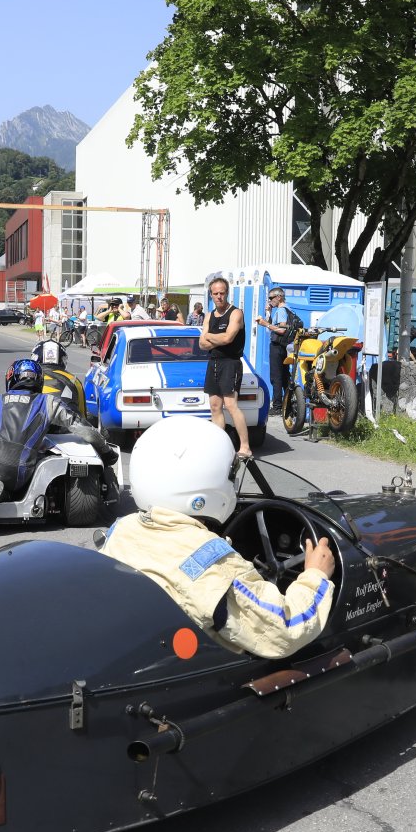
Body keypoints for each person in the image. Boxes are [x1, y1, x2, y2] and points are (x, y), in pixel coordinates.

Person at [99, 418, 334, 658]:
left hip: (134, 650)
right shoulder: (215, 569)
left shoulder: (121, 530)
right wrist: (316, 576)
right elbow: (284, 630)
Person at [0, 358, 117, 523]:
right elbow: (84, 429)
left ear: (11, 378)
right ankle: (3, 494)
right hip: (19, 470)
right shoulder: (49, 402)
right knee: (17, 482)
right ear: (39, 380)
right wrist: (106, 451)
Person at [200, 277, 252, 458]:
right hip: (213, 362)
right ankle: (219, 447)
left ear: (227, 293)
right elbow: (201, 344)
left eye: (222, 293)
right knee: (215, 407)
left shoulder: (236, 313)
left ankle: (245, 447)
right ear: (211, 295)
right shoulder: (209, 316)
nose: (219, 296)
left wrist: (210, 336)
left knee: (231, 405)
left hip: (231, 362)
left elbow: (228, 338)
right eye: (215, 293)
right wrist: (217, 338)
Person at [257, 288, 299, 415]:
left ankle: (277, 406)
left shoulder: (281, 311)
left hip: (277, 346)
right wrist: (268, 313)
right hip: (285, 346)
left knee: (276, 377)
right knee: (285, 376)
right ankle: (288, 405)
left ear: (279, 297)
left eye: (271, 298)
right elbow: (276, 327)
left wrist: (265, 323)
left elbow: (281, 329)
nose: (269, 301)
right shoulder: (288, 309)